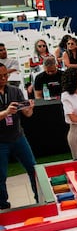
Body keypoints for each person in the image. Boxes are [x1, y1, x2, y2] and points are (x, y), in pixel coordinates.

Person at [0, 64, 36, 210]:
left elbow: (27, 113)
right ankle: (3, 206)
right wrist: (6, 112)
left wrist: (29, 108)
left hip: (18, 136)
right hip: (1, 142)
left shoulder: (15, 90)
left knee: (33, 168)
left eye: (5, 75)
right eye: (0, 76)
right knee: (1, 176)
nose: (3, 78)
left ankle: (39, 198)